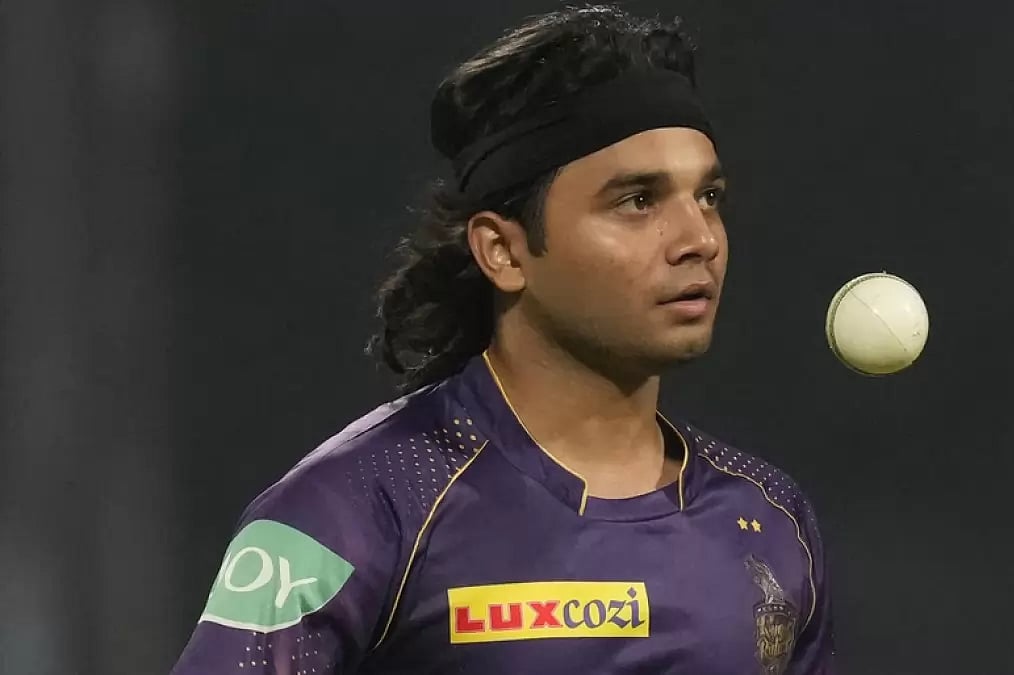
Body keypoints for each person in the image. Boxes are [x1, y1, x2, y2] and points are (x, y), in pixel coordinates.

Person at [171, 6, 834, 674]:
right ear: (504, 252)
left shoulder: (771, 518)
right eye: (638, 201)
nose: (700, 239)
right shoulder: (352, 510)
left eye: (710, 196)